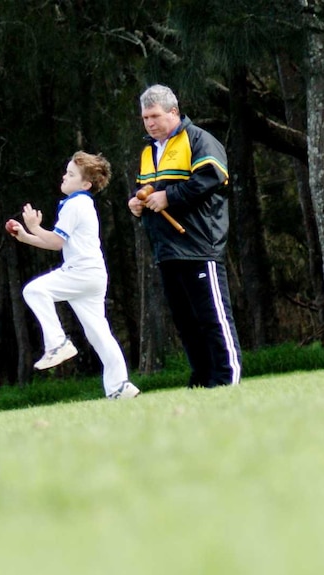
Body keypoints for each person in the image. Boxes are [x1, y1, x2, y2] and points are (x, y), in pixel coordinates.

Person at [128, 84, 242, 388]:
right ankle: (202, 377)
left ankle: (226, 376)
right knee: (186, 320)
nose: (150, 123)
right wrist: (137, 203)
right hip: (167, 248)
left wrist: (169, 197)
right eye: (145, 118)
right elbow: (147, 189)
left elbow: (212, 178)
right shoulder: (149, 151)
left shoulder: (199, 140)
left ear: (174, 112)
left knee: (212, 316)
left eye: (155, 116)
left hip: (200, 243)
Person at [6, 151, 140, 400]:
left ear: (86, 184)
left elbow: (56, 242)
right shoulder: (82, 204)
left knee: (34, 290)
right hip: (93, 275)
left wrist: (34, 227)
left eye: (71, 174)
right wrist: (26, 236)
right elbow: (59, 243)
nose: (64, 177)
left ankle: (57, 343)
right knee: (99, 333)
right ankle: (119, 387)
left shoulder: (75, 204)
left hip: (80, 273)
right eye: (66, 172)